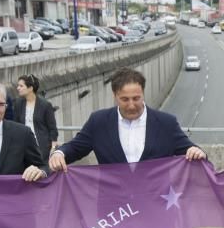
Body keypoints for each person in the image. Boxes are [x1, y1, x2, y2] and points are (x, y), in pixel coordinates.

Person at [48, 67, 206, 172]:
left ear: (143, 93)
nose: (131, 105)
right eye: (125, 99)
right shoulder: (99, 122)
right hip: (113, 211)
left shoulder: (166, 123)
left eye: (136, 98)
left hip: (157, 210)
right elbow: (74, 148)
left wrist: (196, 152)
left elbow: (195, 152)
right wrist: (58, 154)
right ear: (115, 96)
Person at [13, 74, 58, 165]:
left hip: (42, 147)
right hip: (24, 146)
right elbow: (16, 125)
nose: (18, 88)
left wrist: (53, 148)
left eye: (21, 86)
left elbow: (52, 128)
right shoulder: (18, 103)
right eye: (18, 86)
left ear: (30, 88)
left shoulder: (45, 105)